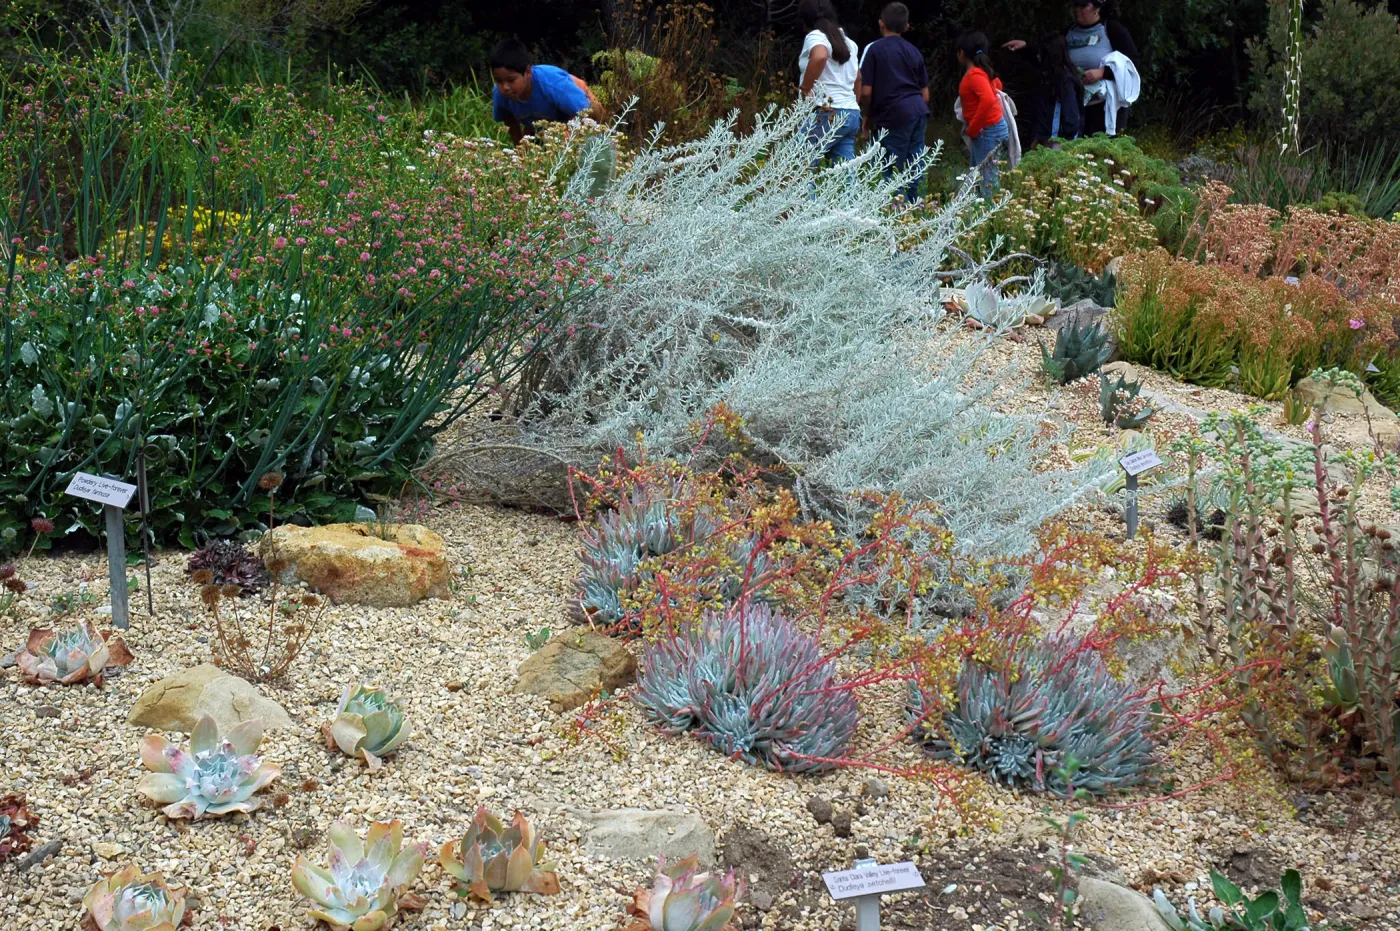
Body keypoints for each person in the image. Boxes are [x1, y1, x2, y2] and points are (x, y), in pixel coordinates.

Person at [1003, 0, 1139, 135]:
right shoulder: (1069, 31)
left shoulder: (1112, 29)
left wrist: (1103, 72)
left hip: (1104, 106)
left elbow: (1131, 63)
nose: (1077, 9)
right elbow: (1050, 55)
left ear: (1097, 8)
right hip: (1074, 105)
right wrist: (1025, 48)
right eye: (1075, 5)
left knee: (1102, 151)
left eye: (1083, 5)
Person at [858, 2, 930, 204]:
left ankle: (894, 210)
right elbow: (925, 94)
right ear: (906, 27)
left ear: (881, 23)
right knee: (915, 160)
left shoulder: (875, 50)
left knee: (888, 165)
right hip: (918, 111)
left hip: (892, 114)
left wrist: (867, 115)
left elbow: (866, 91)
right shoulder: (914, 51)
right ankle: (918, 207)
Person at [490, 38, 607, 145]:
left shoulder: (552, 84)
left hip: (580, 104)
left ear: (528, 71)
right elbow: (511, 124)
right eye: (499, 81)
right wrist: (521, 151)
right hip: (543, 125)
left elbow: (586, 112)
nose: (505, 87)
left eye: (511, 80)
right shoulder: (500, 95)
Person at [797, 0, 862, 165]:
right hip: (851, 112)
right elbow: (858, 78)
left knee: (799, 167)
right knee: (845, 173)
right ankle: (852, 192)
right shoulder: (849, 43)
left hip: (825, 111)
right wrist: (852, 105)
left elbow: (820, 56)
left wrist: (805, 88)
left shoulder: (816, 36)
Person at [955, 31, 1009, 196]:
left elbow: (987, 100)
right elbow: (997, 86)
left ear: (962, 53)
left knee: (988, 181)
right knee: (976, 174)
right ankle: (974, 209)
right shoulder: (982, 71)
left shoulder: (974, 75)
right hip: (990, 130)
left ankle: (991, 217)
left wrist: (973, 127)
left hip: (987, 131)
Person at [1017, 33, 1083, 146]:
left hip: (1059, 141)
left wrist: (1066, 137)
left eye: (1041, 53)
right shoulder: (1050, 76)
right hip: (1047, 137)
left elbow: (1071, 114)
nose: (1038, 56)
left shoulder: (1064, 80)